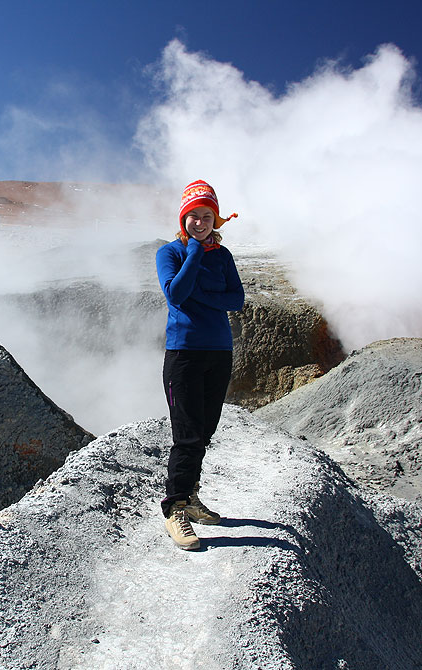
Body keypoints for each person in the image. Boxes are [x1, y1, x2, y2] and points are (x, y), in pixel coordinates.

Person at [155, 179, 245, 550]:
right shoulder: (170, 253)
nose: (200, 222)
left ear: (215, 218)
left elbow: (236, 299)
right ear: (183, 218)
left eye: (207, 216)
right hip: (185, 353)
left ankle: (191, 497)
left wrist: (199, 294)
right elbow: (175, 294)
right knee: (187, 435)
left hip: (219, 352)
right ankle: (174, 508)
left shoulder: (223, 256)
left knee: (205, 432)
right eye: (193, 216)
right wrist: (194, 251)